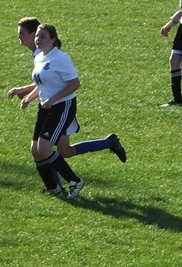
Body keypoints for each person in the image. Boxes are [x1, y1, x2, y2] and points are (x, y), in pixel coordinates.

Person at [9, 23, 127, 199]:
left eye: (42, 36)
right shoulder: (39, 57)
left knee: (44, 149)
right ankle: (55, 188)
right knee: (49, 150)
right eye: (37, 36)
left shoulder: (60, 59)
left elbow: (75, 83)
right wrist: (28, 97)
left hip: (61, 107)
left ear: (53, 40)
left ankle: (74, 181)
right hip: (45, 107)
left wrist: (53, 99)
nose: (38, 39)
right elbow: (43, 83)